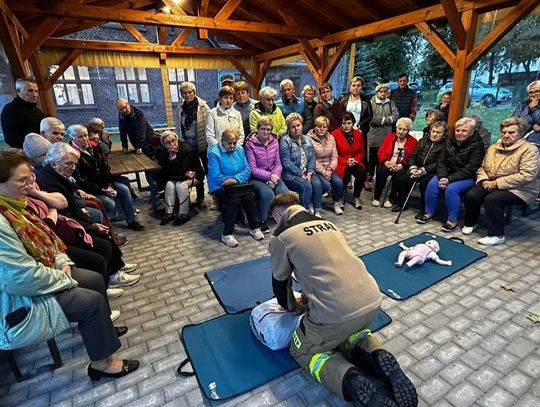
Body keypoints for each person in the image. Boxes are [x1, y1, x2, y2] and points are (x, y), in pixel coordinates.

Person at [0, 150, 139, 380]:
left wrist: (62, 262)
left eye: (29, 178)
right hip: (21, 301)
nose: (29, 184)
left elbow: (50, 242)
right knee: (91, 302)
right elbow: (20, 278)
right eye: (22, 180)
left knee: (94, 278)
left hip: (46, 273)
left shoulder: (15, 205)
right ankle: (101, 364)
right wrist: (64, 277)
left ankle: (102, 332)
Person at [268, 192, 417, 407]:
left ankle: (351, 380)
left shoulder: (281, 236)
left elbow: (280, 284)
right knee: (351, 335)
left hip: (335, 316)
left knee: (302, 350)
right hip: (372, 301)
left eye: (274, 218)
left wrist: (292, 305)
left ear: (279, 214)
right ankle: (377, 355)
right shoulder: (328, 224)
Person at [35, 142, 140, 288]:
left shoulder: (56, 175)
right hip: (66, 229)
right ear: (54, 163)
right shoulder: (50, 181)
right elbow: (67, 211)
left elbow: (71, 205)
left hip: (73, 220)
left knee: (105, 231)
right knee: (103, 240)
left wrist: (89, 223)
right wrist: (89, 226)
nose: (72, 167)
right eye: (68, 164)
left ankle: (117, 268)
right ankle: (112, 278)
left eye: (74, 164)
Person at [463, 118, 540, 246]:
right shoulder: (493, 148)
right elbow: (482, 167)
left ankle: (496, 235)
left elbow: (526, 175)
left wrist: (496, 183)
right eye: (504, 132)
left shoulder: (530, 150)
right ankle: (471, 222)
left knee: (493, 199)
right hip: (492, 183)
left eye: (511, 132)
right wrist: (484, 180)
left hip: (522, 189)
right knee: (472, 194)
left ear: (520, 134)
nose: (506, 135)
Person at [66, 124, 145, 231]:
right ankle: (108, 227)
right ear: (72, 137)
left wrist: (109, 184)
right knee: (110, 203)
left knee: (124, 188)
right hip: (89, 189)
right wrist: (102, 190)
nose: (84, 139)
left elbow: (105, 166)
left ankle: (131, 220)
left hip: (104, 182)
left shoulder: (94, 146)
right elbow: (81, 180)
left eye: (85, 135)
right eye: (80, 136)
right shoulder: (71, 154)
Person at [417, 117, 485, 232]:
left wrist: (449, 180)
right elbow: (441, 161)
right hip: (448, 173)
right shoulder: (450, 141)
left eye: (464, 131)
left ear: (472, 132)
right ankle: (428, 213)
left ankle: (452, 220)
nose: (460, 133)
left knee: (451, 189)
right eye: (458, 130)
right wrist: (443, 176)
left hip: (468, 177)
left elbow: (471, 169)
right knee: (433, 183)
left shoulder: (477, 145)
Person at [207, 128, 264, 247]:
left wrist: (236, 179)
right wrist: (229, 180)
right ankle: (227, 234)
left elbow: (247, 169)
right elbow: (215, 174)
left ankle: (254, 227)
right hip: (219, 185)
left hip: (237, 183)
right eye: (229, 143)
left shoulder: (240, 149)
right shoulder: (214, 153)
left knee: (249, 197)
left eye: (234, 143)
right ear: (222, 141)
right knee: (234, 200)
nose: (233, 146)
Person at [244, 116, 288, 233]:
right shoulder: (250, 144)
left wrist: (274, 177)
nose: (266, 132)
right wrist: (269, 176)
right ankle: (262, 221)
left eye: (268, 129)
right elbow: (252, 169)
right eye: (263, 129)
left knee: (284, 192)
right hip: (256, 178)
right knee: (267, 194)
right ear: (257, 129)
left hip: (274, 175)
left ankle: (284, 218)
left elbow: (278, 163)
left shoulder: (274, 142)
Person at [155, 130, 203, 226]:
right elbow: (164, 172)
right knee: (169, 184)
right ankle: (169, 213)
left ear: (177, 139)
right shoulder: (163, 152)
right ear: (164, 145)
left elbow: (182, 169)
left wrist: (173, 157)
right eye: (168, 143)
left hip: (195, 175)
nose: (172, 144)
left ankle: (184, 214)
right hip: (179, 177)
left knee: (180, 185)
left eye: (174, 140)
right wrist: (179, 174)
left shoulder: (186, 150)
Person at [280, 113, 323, 217]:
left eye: (298, 125)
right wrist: (301, 174)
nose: (296, 129)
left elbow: (312, 156)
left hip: (306, 171)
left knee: (319, 184)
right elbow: (286, 162)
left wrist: (310, 171)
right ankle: (305, 212)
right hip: (290, 174)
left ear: (302, 125)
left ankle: (317, 210)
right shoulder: (285, 141)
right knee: (306, 186)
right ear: (289, 129)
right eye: (293, 127)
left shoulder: (307, 139)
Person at [371, 118, 417, 208]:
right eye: (399, 128)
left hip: (401, 165)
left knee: (399, 174)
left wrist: (401, 165)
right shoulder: (390, 137)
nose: (400, 131)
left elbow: (412, 157)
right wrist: (385, 161)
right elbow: (380, 152)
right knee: (381, 171)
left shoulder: (413, 142)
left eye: (404, 129)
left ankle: (391, 198)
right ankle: (377, 197)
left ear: (408, 131)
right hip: (388, 162)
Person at [177, 81, 210, 205]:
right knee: (195, 171)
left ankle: (214, 195)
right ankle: (200, 196)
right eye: (184, 93)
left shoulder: (203, 107)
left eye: (190, 92)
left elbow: (209, 126)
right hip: (189, 146)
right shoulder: (180, 108)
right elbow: (179, 126)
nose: (187, 95)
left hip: (203, 144)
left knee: (208, 170)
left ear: (194, 92)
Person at [309, 116, 344, 215]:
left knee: (338, 183)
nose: (321, 129)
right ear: (315, 127)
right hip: (316, 169)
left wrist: (330, 169)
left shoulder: (331, 138)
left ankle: (336, 203)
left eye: (324, 127)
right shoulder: (309, 139)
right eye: (319, 126)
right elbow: (311, 158)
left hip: (328, 168)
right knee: (325, 185)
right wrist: (323, 171)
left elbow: (334, 155)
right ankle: (315, 205)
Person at [367, 84, 399, 190]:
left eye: (385, 92)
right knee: (372, 156)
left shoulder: (391, 103)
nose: (383, 94)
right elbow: (372, 117)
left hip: (386, 135)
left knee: (383, 156)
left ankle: (380, 175)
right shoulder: (371, 103)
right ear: (377, 92)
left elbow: (395, 115)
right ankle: (370, 174)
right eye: (381, 91)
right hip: (374, 134)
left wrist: (388, 119)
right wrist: (386, 120)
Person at [332, 112, 367, 209]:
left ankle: (356, 197)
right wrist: (345, 161)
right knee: (345, 175)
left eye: (349, 123)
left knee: (362, 172)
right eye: (344, 123)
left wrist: (355, 160)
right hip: (341, 162)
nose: (346, 126)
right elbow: (333, 154)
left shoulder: (358, 134)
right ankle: (338, 198)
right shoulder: (334, 134)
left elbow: (362, 152)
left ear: (353, 123)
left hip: (355, 161)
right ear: (340, 124)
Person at [1, 78, 45, 148]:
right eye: (30, 91)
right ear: (19, 91)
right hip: (25, 153)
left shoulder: (37, 111)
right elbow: (11, 139)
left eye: (36, 91)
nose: (35, 95)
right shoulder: (10, 110)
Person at [512, 80, 540, 144]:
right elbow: (513, 121)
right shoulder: (523, 105)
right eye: (531, 92)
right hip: (520, 136)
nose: (533, 94)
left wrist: (534, 109)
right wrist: (533, 125)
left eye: (537, 91)